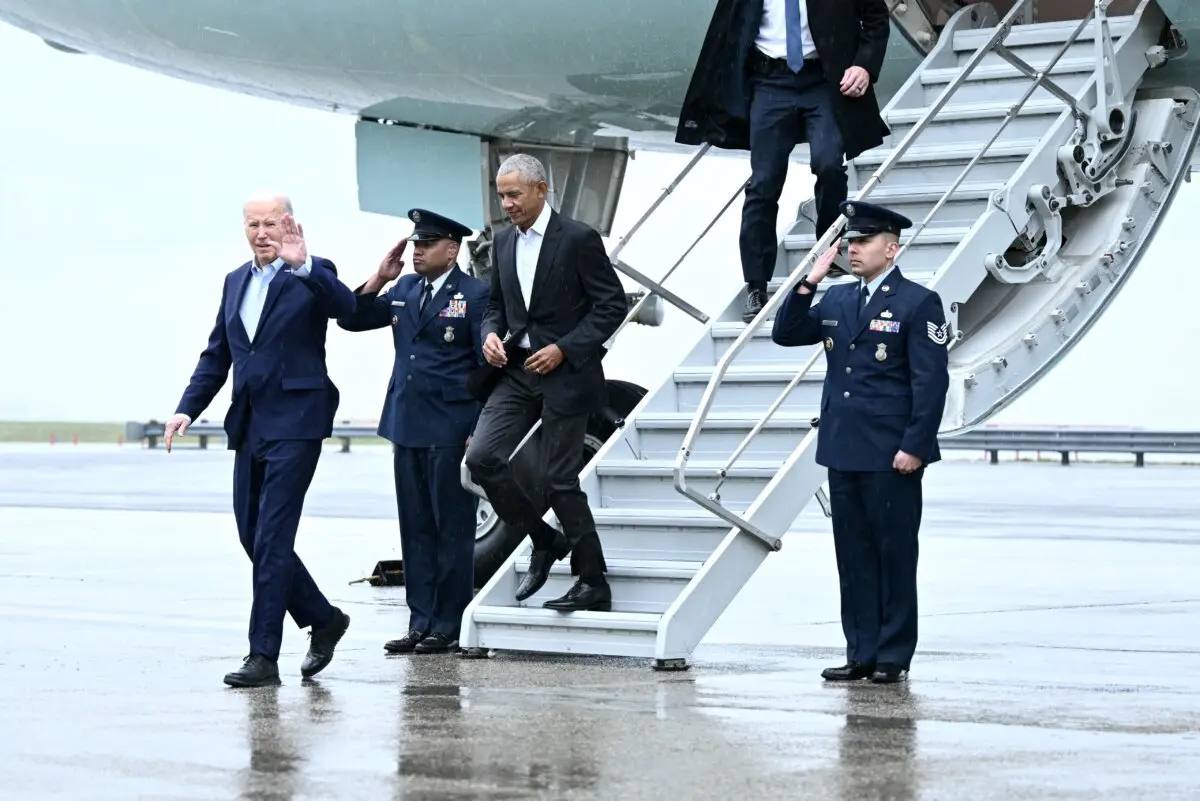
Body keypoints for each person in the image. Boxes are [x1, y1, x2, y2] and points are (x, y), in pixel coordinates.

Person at [162, 193, 356, 688]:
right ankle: (323, 617)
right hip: (250, 425)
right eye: (254, 224)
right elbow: (218, 354)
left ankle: (262, 655)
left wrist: (306, 264)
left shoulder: (311, 271)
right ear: (244, 229)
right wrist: (187, 407)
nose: (263, 232)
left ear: (289, 224)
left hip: (298, 421)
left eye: (271, 223)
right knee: (252, 536)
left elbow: (347, 307)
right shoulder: (235, 282)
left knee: (272, 539)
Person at [770, 200, 950, 684]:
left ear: (891, 249)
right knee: (852, 557)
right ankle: (860, 652)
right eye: (850, 242)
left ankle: (892, 656)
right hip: (844, 446)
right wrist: (810, 280)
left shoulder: (918, 302)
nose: (853, 249)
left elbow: (930, 384)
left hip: (891, 452)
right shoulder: (837, 300)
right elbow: (785, 334)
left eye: (863, 241)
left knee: (893, 554)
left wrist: (915, 445)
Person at [464, 153, 627, 612]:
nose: (507, 203)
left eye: (514, 194)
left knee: (559, 478)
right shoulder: (502, 243)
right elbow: (496, 306)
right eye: (501, 195)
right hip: (516, 371)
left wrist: (565, 349)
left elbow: (611, 306)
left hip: (566, 373)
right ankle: (543, 538)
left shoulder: (577, 238)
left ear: (541, 190)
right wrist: (489, 335)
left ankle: (592, 580)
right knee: (482, 458)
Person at [673, 0, 892, 322]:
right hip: (769, 83)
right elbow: (724, 35)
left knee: (830, 164)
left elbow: (875, 17)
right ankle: (757, 286)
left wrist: (865, 65)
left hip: (823, 82)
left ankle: (829, 248)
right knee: (763, 184)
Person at [337, 208, 489, 655]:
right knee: (416, 529)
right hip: (407, 424)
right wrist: (378, 279)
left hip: (450, 426)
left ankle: (448, 623)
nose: (417, 251)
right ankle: (419, 621)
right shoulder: (404, 288)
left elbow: (487, 369)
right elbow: (351, 318)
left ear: (452, 248)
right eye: (415, 244)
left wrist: (479, 426)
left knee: (452, 531)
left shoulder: (475, 295)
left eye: (426, 244)